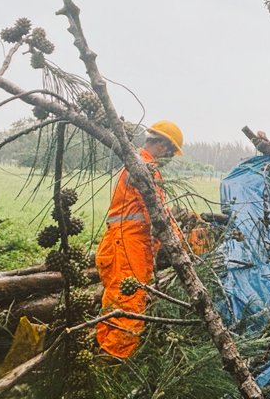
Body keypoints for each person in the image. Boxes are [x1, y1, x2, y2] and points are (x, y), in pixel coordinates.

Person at [95, 120, 184, 359]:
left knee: (115, 302)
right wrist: (180, 244)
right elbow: (157, 214)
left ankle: (103, 357)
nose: (170, 158)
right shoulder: (145, 168)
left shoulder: (138, 164)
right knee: (129, 305)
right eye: (171, 152)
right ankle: (113, 364)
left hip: (123, 244)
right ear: (163, 146)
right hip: (127, 245)